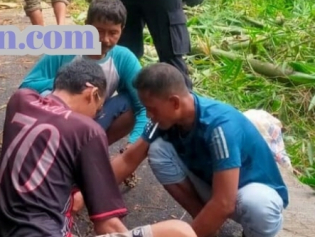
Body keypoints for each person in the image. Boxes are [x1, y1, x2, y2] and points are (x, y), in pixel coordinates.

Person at [0, 59, 196, 237]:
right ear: (94, 93)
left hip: (7, 229)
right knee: (179, 232)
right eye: (98, 110)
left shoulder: (20, 101)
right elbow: (107, 225)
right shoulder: (87, 130)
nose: (95, 116)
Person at [112, 63, 288, 237]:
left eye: (151, 109)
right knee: (158, 149)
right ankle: (206, 224)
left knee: (259, 206)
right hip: (216, 188)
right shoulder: (162, 119)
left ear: (174, 102)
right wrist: (88, 195)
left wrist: (185, 235)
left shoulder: (219, 127)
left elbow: (225, 203)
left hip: (247, 192)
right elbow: (129, 159)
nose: (149, 115)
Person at [19, 0, 147, 147]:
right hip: (58, 122)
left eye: (113, 33)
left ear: (122, 30)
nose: (105, 39)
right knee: (45, 94)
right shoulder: (65, 49)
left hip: (96, 118)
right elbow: (25, 88)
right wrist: (65, 86)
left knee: (132, 100)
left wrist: (133, 144)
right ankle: (60, 149)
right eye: (99, 31)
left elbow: (145, 104)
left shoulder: (123, 58)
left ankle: (93, 149)